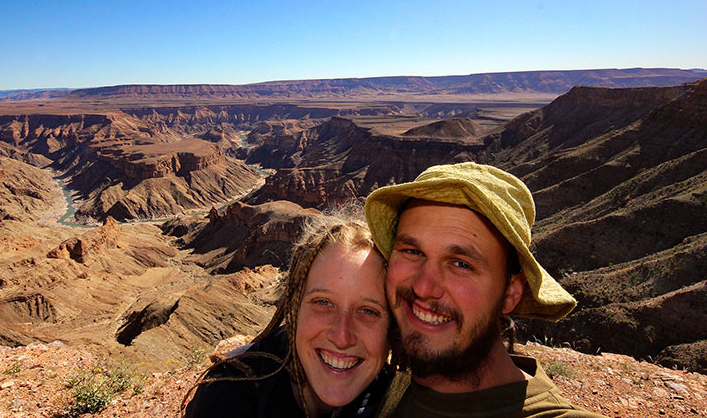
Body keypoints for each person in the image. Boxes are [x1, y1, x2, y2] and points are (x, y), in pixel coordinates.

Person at [364, 162, 606, 417]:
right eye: (412, 252)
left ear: (510, 293)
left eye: (461, 264)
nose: (423, 287)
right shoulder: (371, 386)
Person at [184, 213, 393, 417]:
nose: (341, 336)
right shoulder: (227, 396)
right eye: (323, 302)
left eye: (368, 311)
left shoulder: (397, 396)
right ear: (294, 306)